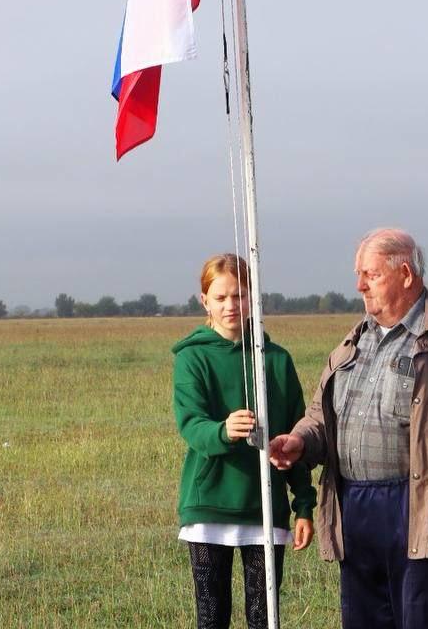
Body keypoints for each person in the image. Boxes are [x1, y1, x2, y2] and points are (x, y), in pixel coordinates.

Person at [269, 228, 428, 629]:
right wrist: (300, 441)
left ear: (406, 275)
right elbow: (324, 417)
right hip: (355, 508)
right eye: (359, 274)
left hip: (421, 507)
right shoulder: (354, 341)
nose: (359, 285)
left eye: (370, 275)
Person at [173, 254, 316, 629]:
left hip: (264, 506)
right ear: (204, 301)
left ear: (253, 297)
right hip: (209, 506)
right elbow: (190, 424)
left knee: (264, 616)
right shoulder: (192, 357)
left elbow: (296, 434)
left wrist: (303, 504)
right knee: (212, 615)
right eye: (220, 298)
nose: (230, 305)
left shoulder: (277, 360)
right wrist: (223, 430)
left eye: (239, 295)